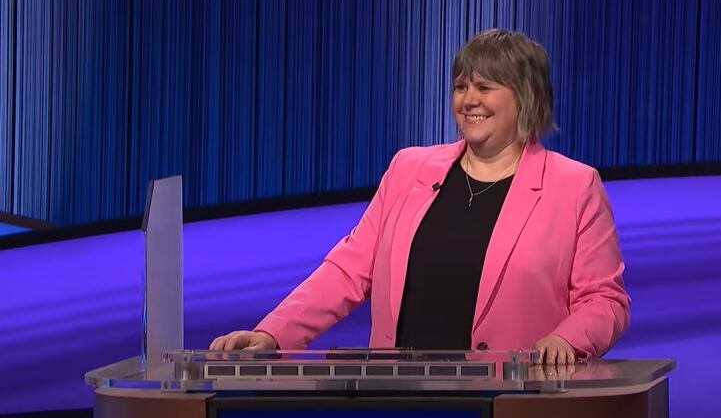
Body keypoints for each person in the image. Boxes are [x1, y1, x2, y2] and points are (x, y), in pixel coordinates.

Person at [210, 29, 630, 365]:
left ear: (526, 97)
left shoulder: (574, 186)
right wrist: (272, 332)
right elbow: (347, 270)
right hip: (402, 394)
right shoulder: (409, 169)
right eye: (461, 86)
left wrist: (567, 339)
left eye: (485, 87)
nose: (469, 100)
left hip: (507, 398)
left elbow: (605, 300)